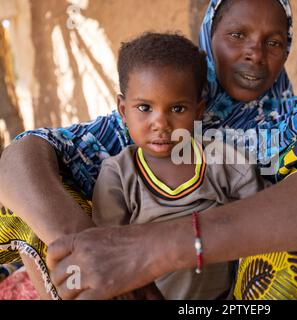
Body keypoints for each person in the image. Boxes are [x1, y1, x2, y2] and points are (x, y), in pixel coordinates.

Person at [0, 0, 297, 300]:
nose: (255, 51)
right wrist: (97, 254)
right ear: (209, 36)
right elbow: (21, 158)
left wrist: (154, 250)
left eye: (274, 41)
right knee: (34, 205)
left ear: (287, 52)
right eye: (238, 35)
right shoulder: (150, 115)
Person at [92, 32, 268, 300]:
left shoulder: (222, 161)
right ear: (122, 109)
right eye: (144, 108)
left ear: (198, 111)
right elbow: (107, 251)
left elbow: (262, 223)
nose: (161, 124)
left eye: (177, 109)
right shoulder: (119, 174)